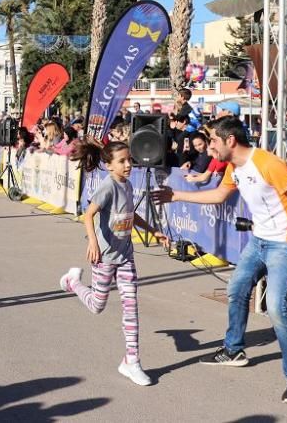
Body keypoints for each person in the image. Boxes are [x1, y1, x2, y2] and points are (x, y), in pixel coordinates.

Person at [152, 116, 287, 404]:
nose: (209, 146)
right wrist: (175, 195)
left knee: (277, 308)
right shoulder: (233, 166)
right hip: (259, 240)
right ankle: (233, 349)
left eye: (213, 140)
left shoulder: (268, 164)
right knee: (236, 289)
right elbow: (219, 195)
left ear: (230, 140)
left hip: (285, 244)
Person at [59, 139, 168, 387]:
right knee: (97, 306)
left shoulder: (127, 186)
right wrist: (93, 242)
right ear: (109, 166)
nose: (128, 164)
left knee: (131, 307)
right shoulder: (107, 187)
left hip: (126, 255)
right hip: (105, 257)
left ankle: (132, 361)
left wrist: (154, 231)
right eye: (122, 161)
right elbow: (88, 214)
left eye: (129, 159)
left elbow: (131, 214)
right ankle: (73, 282)